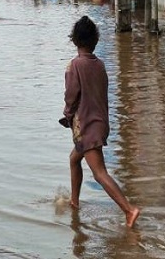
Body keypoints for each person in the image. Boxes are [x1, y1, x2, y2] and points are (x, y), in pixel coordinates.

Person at [63, 16, 140, 228]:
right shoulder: (100, 65)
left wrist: (67, 114)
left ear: (75, 40)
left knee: (99, 173)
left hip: (86, 126)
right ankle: (74, 202)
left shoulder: (74, 66)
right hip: (100, 123)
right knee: (74, 159)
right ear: (95, 40)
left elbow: (71, 97)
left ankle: (129, 209)